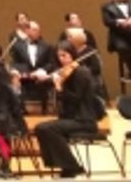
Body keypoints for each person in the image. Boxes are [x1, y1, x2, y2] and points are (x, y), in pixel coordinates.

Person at [34, 44, 102, 178]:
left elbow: (76, 99)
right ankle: (66, 166)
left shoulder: (82, 73)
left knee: (48, 129)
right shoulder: (65, 73)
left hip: (84, 120)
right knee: (40, 128)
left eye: (65, 55)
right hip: (71, 119)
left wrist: (59, 88)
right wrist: (43, 79)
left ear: (73, 55)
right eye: (59, 56)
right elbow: (46, 86)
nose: (62, 59)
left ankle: (72, 167)